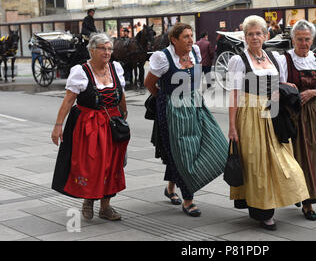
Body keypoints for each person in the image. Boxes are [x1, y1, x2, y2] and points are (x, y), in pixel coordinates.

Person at [228, 15, 310, 231]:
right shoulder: (238, 60)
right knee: (257, 163)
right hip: (250, 115)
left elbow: (276, 83)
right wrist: (232, 127)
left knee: (282, 160)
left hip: (274, 113)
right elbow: (234, 95)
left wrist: (285, 85)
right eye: (250, 34)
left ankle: (287, 193)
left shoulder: (273, 58)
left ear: (266, 35)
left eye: (258, 33)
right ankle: (263, 212)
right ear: (244, 37)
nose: (255, 37)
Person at [145, 22, 228, 217]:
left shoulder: (196, 52)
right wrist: (166, 100)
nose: (191, 39)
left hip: (195, 102)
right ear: (174, 40)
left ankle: (170, 188)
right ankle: (188, 199)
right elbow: (149, 84)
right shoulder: (163, 58)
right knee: (182, 151)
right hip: (171, 108)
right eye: (186, 37)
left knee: (218, 144)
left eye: (191, 35)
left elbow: (196, 80)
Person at [51, 33, 129, 221]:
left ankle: (106, 207)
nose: (107, 52)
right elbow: (68, 101)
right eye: (103, 48)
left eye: (110, 48)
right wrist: (58, 125)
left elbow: (121, 94)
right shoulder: (81, 71)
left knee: (112, 165)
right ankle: (88, 201)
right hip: (89, 126)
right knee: (92, 165)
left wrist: (124, 115)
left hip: (112, 123)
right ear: (92, 49)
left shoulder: (115, 68)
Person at [278, 20, 316, 221]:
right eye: (300, 39)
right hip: (291, 113)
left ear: (312, 40)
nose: (304, 43)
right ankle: (295, 193)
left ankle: (308, 201)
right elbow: (277, 84)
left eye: (307, 39)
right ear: (293, 39)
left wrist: (315, 92)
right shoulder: (284, 60)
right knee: (293, 156)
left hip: (312, 113)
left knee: (313, 154)